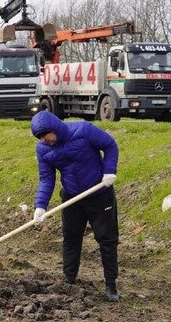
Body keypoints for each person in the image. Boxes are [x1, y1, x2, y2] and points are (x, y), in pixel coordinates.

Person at [30, 110, 120, 302]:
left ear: (54, 128)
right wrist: (40, 206)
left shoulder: (83, 130)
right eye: (41, 138)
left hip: (99, 194)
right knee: (70, 238)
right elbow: (46, 179)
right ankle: (69, 281)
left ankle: (111, 285)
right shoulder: (43, 149)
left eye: (46, 136)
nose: (45, 140)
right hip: (72, 197)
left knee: (107, 239)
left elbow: (110, 145)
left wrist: (109, 170)